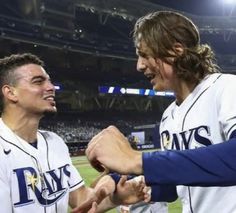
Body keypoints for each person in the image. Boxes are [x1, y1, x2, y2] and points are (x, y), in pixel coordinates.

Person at [85, 11, 236, 213]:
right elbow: (179, 181)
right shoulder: (168, 116)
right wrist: (124, 183)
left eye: (145, 55)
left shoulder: (227, 88)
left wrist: (136, 160)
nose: (139, 66)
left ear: (177, 51)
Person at [0, 53, 148, 213]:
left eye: (49, 81)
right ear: (10, 92)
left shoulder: (55, 142)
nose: (50, 87)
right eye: (38, 81)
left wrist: (116, 198)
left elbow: (81, 199)